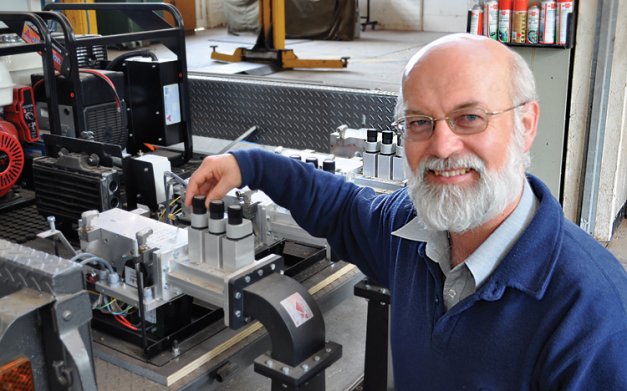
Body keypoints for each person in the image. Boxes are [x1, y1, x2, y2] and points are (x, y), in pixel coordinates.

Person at [185, 33, 627, 389]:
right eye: (419, 123)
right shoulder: (407, 231)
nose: (441, 146)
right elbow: (339, 208)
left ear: (526, 125)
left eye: (469, 117)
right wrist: (248, 163)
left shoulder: (593, 315)